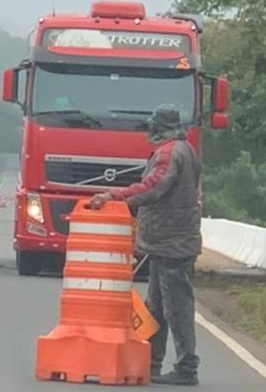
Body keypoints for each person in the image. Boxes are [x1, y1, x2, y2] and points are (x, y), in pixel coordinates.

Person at [90, 104, 202, 386]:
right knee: (157, 306)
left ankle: (186, 367)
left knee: (175, 307)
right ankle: (151, 363)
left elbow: (154, 187)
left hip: (171, 241)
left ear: (160, 127)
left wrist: (114, 194)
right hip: (168, 241)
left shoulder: (168, 152)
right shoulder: (186, 150)